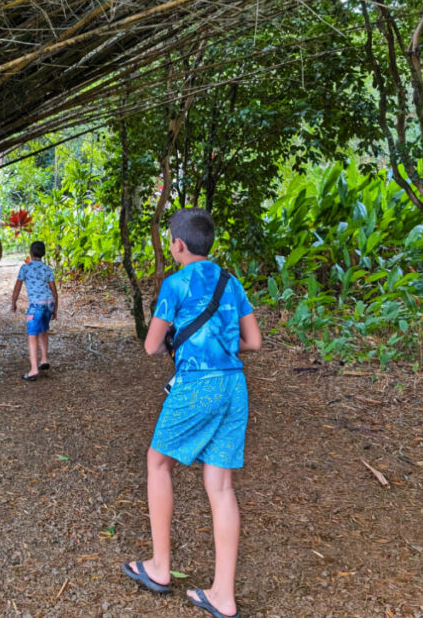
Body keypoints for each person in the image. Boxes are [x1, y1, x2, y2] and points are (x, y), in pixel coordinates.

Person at [122, 208, 262, 618]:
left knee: (158, 462)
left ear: (178, 245)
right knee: (220, 485)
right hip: (234, 387)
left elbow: (151, 346)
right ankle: (223, 594)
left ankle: (160, 567)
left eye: (170, 241)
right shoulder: (230, 282)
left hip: (198, 385)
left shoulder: (176, 283)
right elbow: (252, 341)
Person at [10, 240, 58, 381]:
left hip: (36, 306)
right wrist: (55, 309)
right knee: (43, 331)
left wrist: (13, 303)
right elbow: (54, 292)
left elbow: (17, 287)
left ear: (31, 253)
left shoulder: (25, 268)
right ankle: (43, 359)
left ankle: (33, 369)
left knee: (32, 335)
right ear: (43, 254)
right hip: (48, 303)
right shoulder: (48, 269)